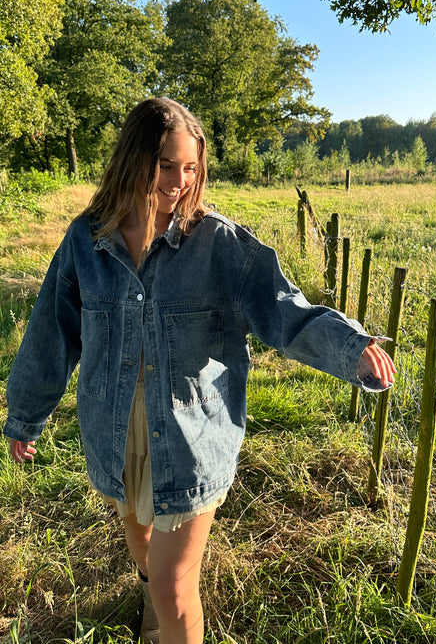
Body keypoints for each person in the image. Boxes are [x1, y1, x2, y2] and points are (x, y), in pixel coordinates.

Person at [3, 97, 396, 644]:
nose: (179, 182)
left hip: (191, 436)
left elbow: (285, 310)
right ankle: (152, 600)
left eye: (191, 168)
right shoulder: (87, 242)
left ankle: (162, 611)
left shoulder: (218, 243)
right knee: (139, 535)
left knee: (172, 587)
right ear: (133, 160)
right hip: (113, 426)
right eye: (167, 165)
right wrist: (25, 416)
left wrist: (350, 348)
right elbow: (52, 331)